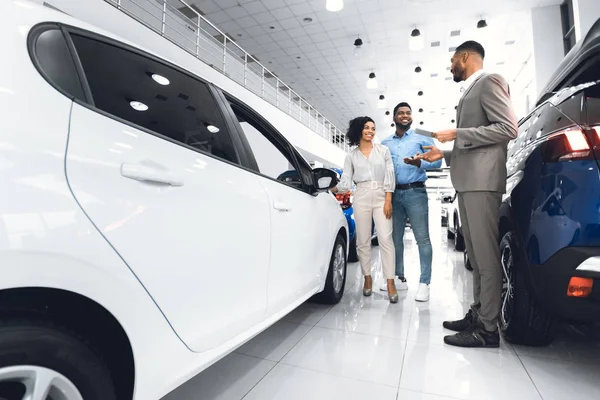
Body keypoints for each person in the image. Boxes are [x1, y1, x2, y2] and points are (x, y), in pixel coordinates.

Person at [416, 40, 518, 347]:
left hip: (482, 183)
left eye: (452, 61)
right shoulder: (471, 90)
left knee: (485, 258)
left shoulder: (490, 82)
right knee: (474, 256)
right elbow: (476, 143)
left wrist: (457, 133)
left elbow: (508, 128)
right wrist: (444, 154)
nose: (450, 67)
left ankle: (488, 329)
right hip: (468, 181)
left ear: (465, 57)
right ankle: (478, 314)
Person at [379, 102, 442, 302]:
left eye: (408, 113)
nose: (405, 115)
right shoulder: (385, 143)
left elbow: (439, 160)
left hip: (416, 192)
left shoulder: (420, 137)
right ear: (394, 118)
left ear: (411, 117)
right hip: (393, 195)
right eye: (401, 113)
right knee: (395, 239)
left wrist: (419, 162)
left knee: (422, 239)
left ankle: (425, 283)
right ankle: (399, 277)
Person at [333, 116, 398, 303]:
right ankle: (367, 278)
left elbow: (389, 174)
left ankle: (390, 282)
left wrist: (388, 199)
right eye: (367, 127)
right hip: (360, 196)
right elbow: (345, 182)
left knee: (386, 238)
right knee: (363, 241)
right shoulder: (351, 156)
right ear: (358, 130)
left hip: (381, 196)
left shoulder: (383, 150)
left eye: (373, 128)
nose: (370, 131)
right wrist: (331, 189)